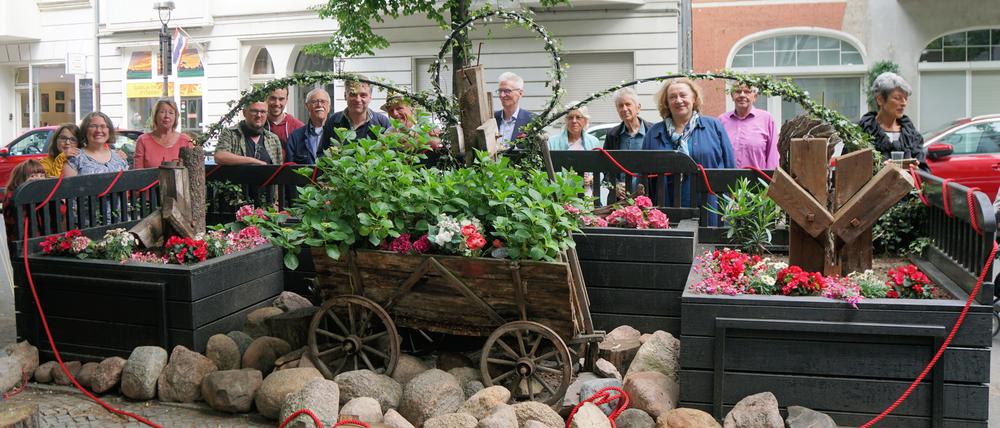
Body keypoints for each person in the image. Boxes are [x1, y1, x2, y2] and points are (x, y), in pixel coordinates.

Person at [644, 78, 734, 222]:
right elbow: (644, 174)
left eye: (683, 95)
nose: (678, 100)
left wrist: (731, 199)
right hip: (666, 207)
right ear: (666, 102)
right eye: (672, 97)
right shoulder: (654, 133)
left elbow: (729, 167)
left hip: (709, 207)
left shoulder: (714, 126)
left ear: (694, 98)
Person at [858, 72, 924, 163]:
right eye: (897, 98)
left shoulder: (910, 134)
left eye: (905, 98)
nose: (904, 103)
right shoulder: (863, 132)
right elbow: (851, 167)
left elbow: (923, 167)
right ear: (880, 100)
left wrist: (916, 168)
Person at [318, 76, 392, 153]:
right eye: (353, 94)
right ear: (345, 96)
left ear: (370, 97)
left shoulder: (382, 123)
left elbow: (391, 152)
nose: (358, 100)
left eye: (363, 95)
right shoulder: (333, 121)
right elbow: (321, 154)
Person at [718, 84, 778, 169]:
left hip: (758, 176)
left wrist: (771, 176)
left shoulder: (766, 119)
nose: (742, 95)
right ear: (732, 96)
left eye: (747, 92)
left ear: (755, 97)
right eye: (738, 91)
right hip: (728, 177)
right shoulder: (721, 120)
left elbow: (773, 155)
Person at [214, 101, 284, 165]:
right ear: (244, 113)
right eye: (254, 111)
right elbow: (220, 156)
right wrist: (253, 161)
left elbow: (279, 169)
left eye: (263, 112)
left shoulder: (273, 139)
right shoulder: (230, 133)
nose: (259, 115)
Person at [63, 112, 129, 177]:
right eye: (93, 126)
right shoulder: (75, 157)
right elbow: (69, 184)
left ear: (109, 130)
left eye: (103, 126)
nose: (98, 130)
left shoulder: (119, 157)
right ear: (85, 130)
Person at [133, 98, 194, 169]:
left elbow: (192, 171)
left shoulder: (185, 141)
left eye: (171, 113)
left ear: (176, 117)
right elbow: (138, 172)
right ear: (155, 116)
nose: (167, 116)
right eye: (162, 112)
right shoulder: (143, 141)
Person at [286, 88, 331, 164]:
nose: (319, 105)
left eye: (323, 101)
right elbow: (289, 167)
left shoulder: (336, 135)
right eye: (314, 102)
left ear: (329, 107)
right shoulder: (296, 137)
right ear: (307, 106)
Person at [3, 160, 46, 237]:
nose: (39, 178)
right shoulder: (12, 196)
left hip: (44, 237)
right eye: (32, 176)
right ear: (19, 180)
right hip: (23, 239)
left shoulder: (45, 194)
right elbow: (16, 221)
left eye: (42, 175)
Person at [493, 72, 535, 144]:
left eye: (507, 91)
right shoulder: (492, 119)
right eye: (500, 91)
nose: (502, 95)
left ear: (520, 93)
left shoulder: (532, 120)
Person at [265, 87, 305, 161]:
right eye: (273, 98)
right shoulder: (258, 125)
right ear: (266, 99)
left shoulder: (298, 127)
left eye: (281, 99)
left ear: (286, 100)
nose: (277, 103)